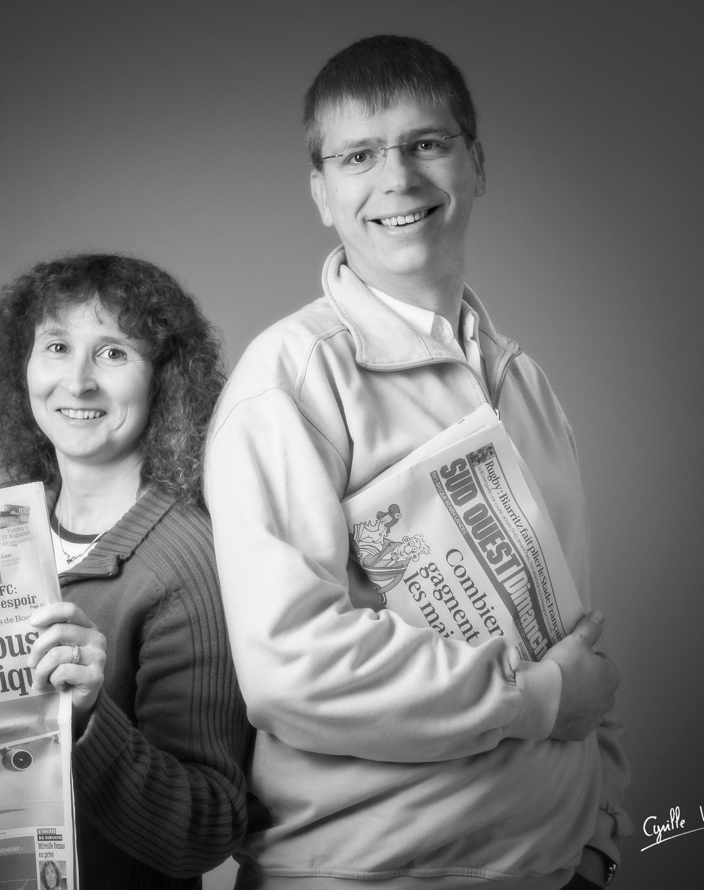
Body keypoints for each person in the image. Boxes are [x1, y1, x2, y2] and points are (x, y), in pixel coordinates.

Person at [204, 36, 630, 890]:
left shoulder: (525, 381)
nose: (396, 178)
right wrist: (539, 700)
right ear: (322, 191)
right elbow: (294, 672)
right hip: (371, 876)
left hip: (551, 870)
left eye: (426, 143)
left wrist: (601, 835)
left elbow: (570, 635)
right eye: (359, 155)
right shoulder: (291, 380)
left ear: (476, 164)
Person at [0, 253, 252, 890]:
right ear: (22, 369)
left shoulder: (187, 559)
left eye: (113, 353)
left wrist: (90, 719)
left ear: (164, 380)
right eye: (58, 346)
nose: (78, 382)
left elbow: (206, 830)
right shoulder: (7, 530)